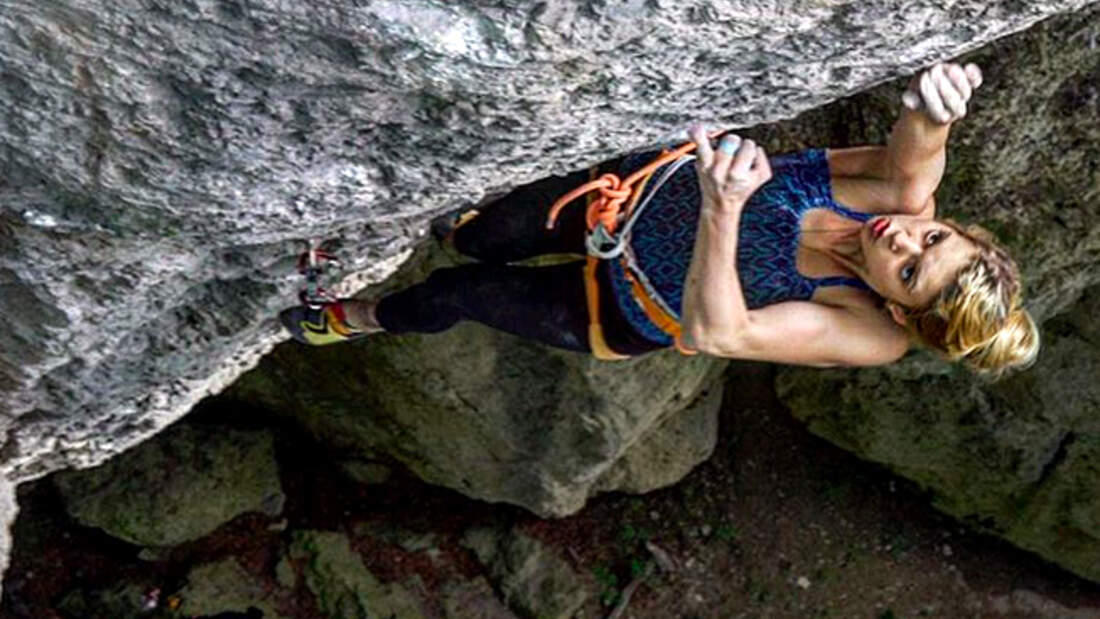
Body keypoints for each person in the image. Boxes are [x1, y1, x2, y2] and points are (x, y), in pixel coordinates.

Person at [281, 62, 1039, 376]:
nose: (904, 241)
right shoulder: (899, 203)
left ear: (901, 310)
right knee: (479, 235)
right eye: (935, 238)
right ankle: (420, 227)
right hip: (622, 201)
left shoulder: (867, 332)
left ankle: (353, 315)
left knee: (459, 294)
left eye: (909, 271)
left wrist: (724, 207)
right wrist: (935, 103)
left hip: (621, 307)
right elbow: (920, 151)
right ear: (955, 226)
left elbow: (716, 333)